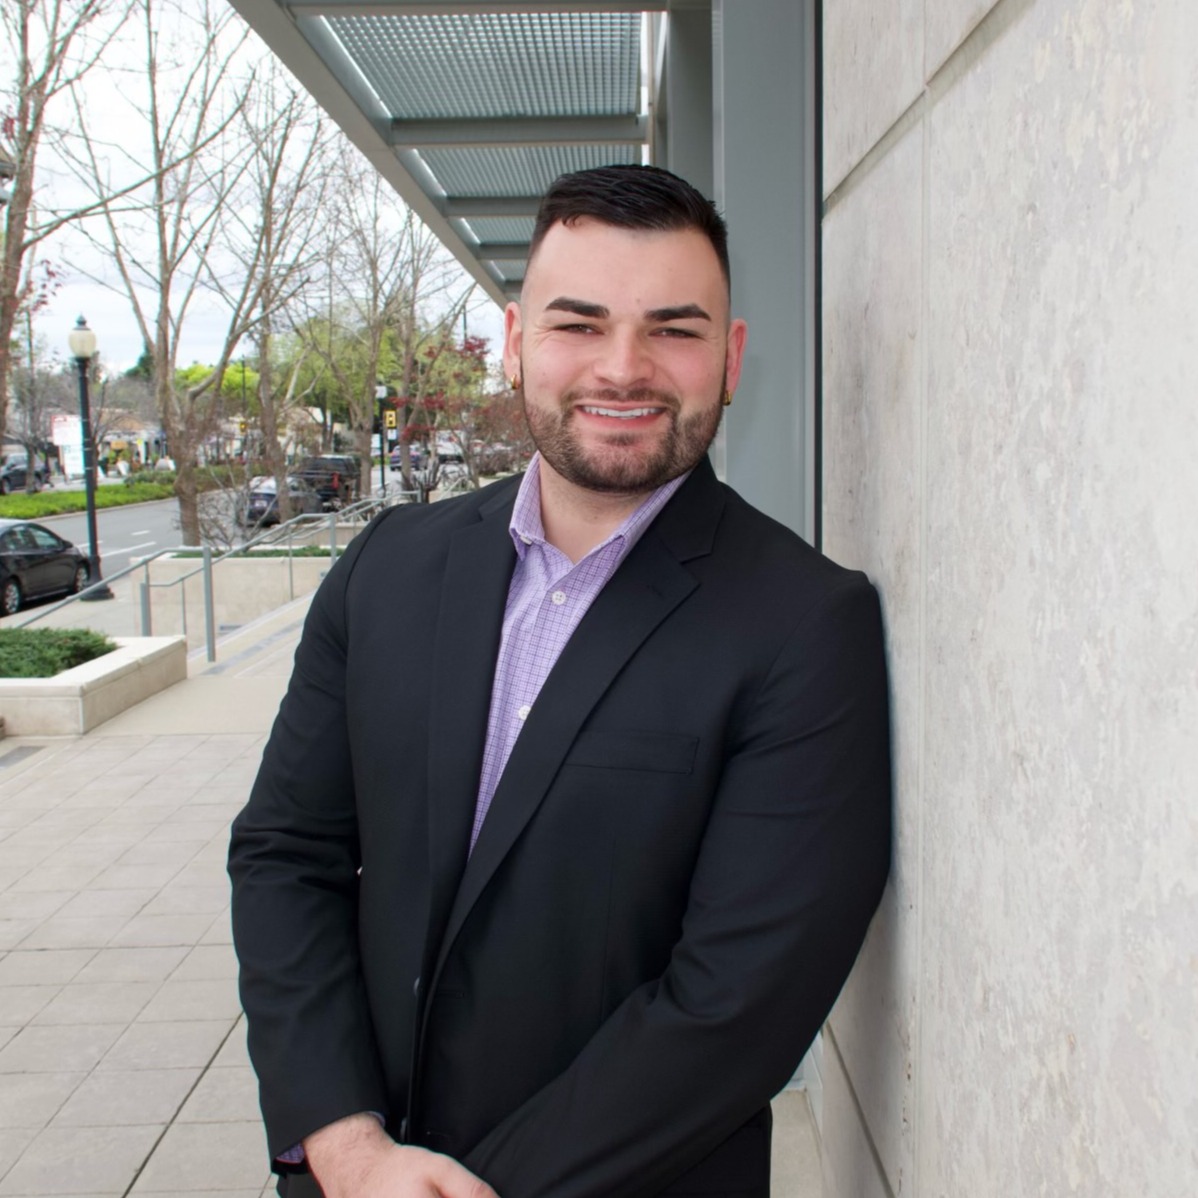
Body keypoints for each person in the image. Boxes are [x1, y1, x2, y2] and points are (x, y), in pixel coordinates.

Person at [229, 164, 891, 1198]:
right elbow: (285, 856)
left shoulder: (807, 624)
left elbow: (736, 1005)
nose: (623, 368)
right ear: (514, 341)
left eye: (674, 328)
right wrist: (347, 1146)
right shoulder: (386, 566)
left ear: (732, 357)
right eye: (578, 323)